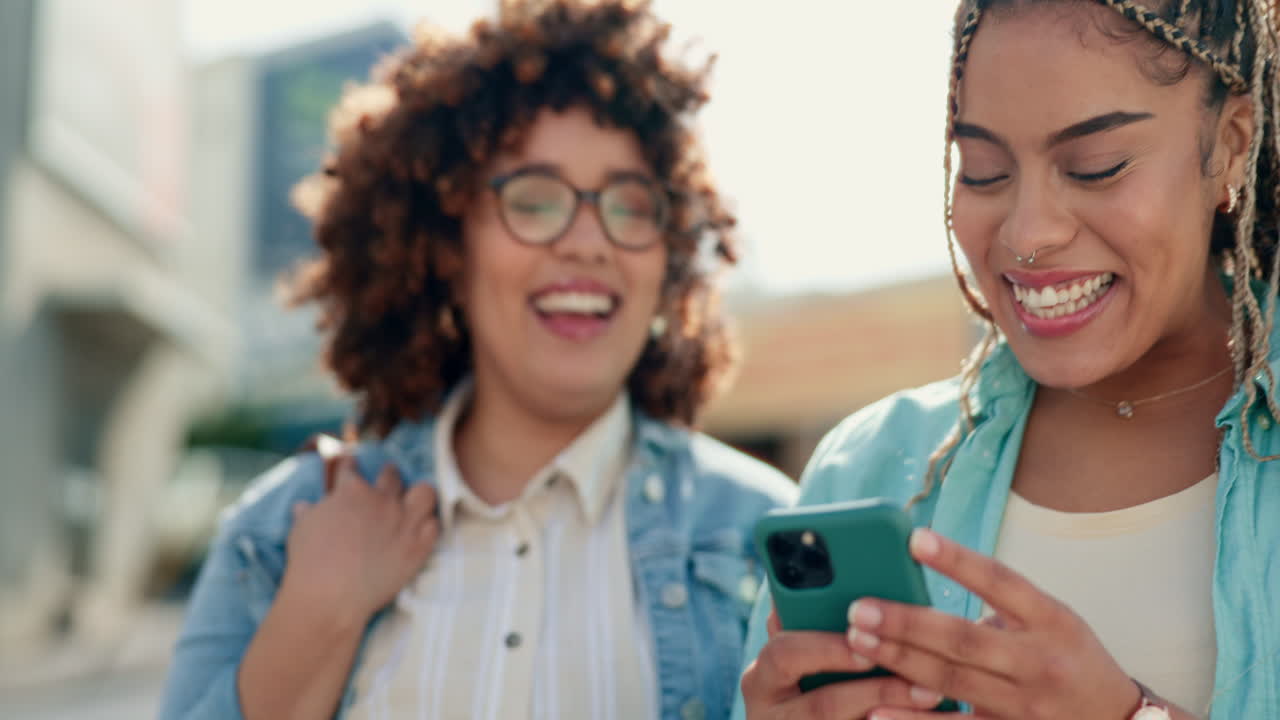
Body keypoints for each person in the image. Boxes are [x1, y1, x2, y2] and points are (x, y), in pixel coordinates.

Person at [158, 2, 796, 718]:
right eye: (533, 198)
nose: (589, 242)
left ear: (669, 258)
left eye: (630, 204)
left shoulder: (766, 539)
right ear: (446, 249)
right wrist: (317, 614)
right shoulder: (279, 531)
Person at [735, 1, 1279, 718]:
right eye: (985, 171)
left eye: (1096, 167)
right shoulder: (869, 467)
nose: (1028, 234)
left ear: (1232, 144)